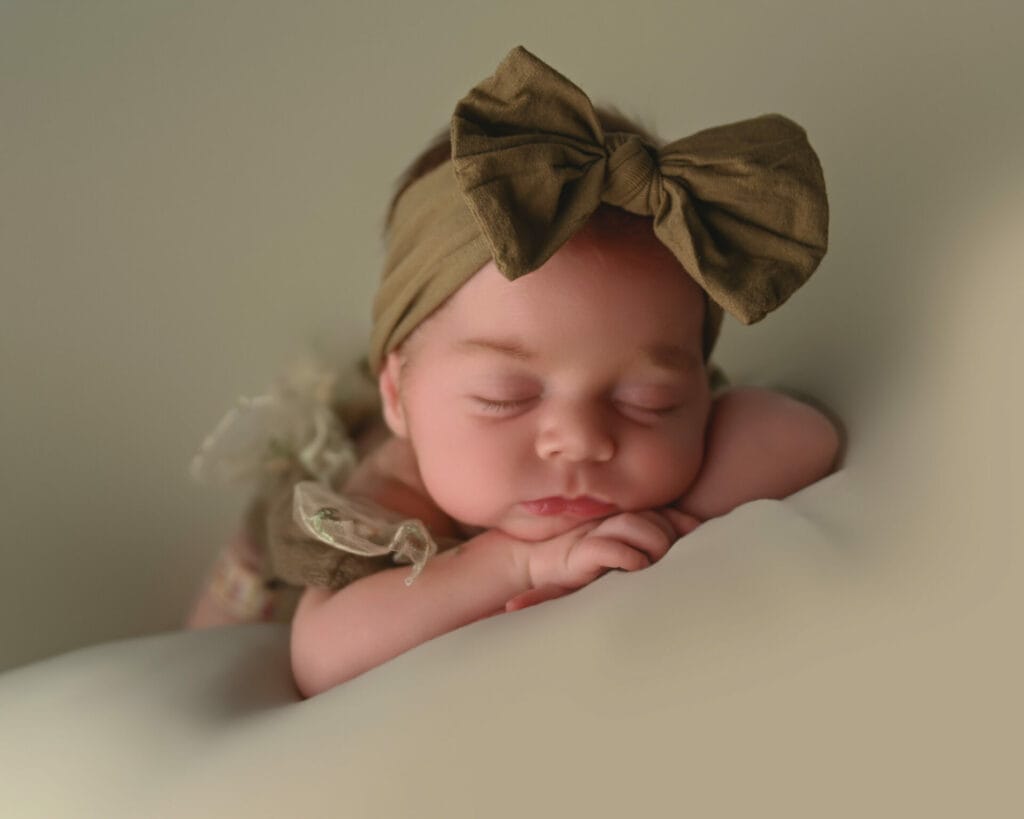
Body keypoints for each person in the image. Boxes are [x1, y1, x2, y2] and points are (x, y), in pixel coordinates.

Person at [187, 47, 841, 698]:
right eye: (507, 396)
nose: (581, 438)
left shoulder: (646, 449)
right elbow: (323, 655)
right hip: (259, 585)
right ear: (398, 396)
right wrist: (517, 560)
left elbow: (803, 435)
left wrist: (666, 521)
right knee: (204, 650)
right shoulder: (390, 491)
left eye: (649, 399)